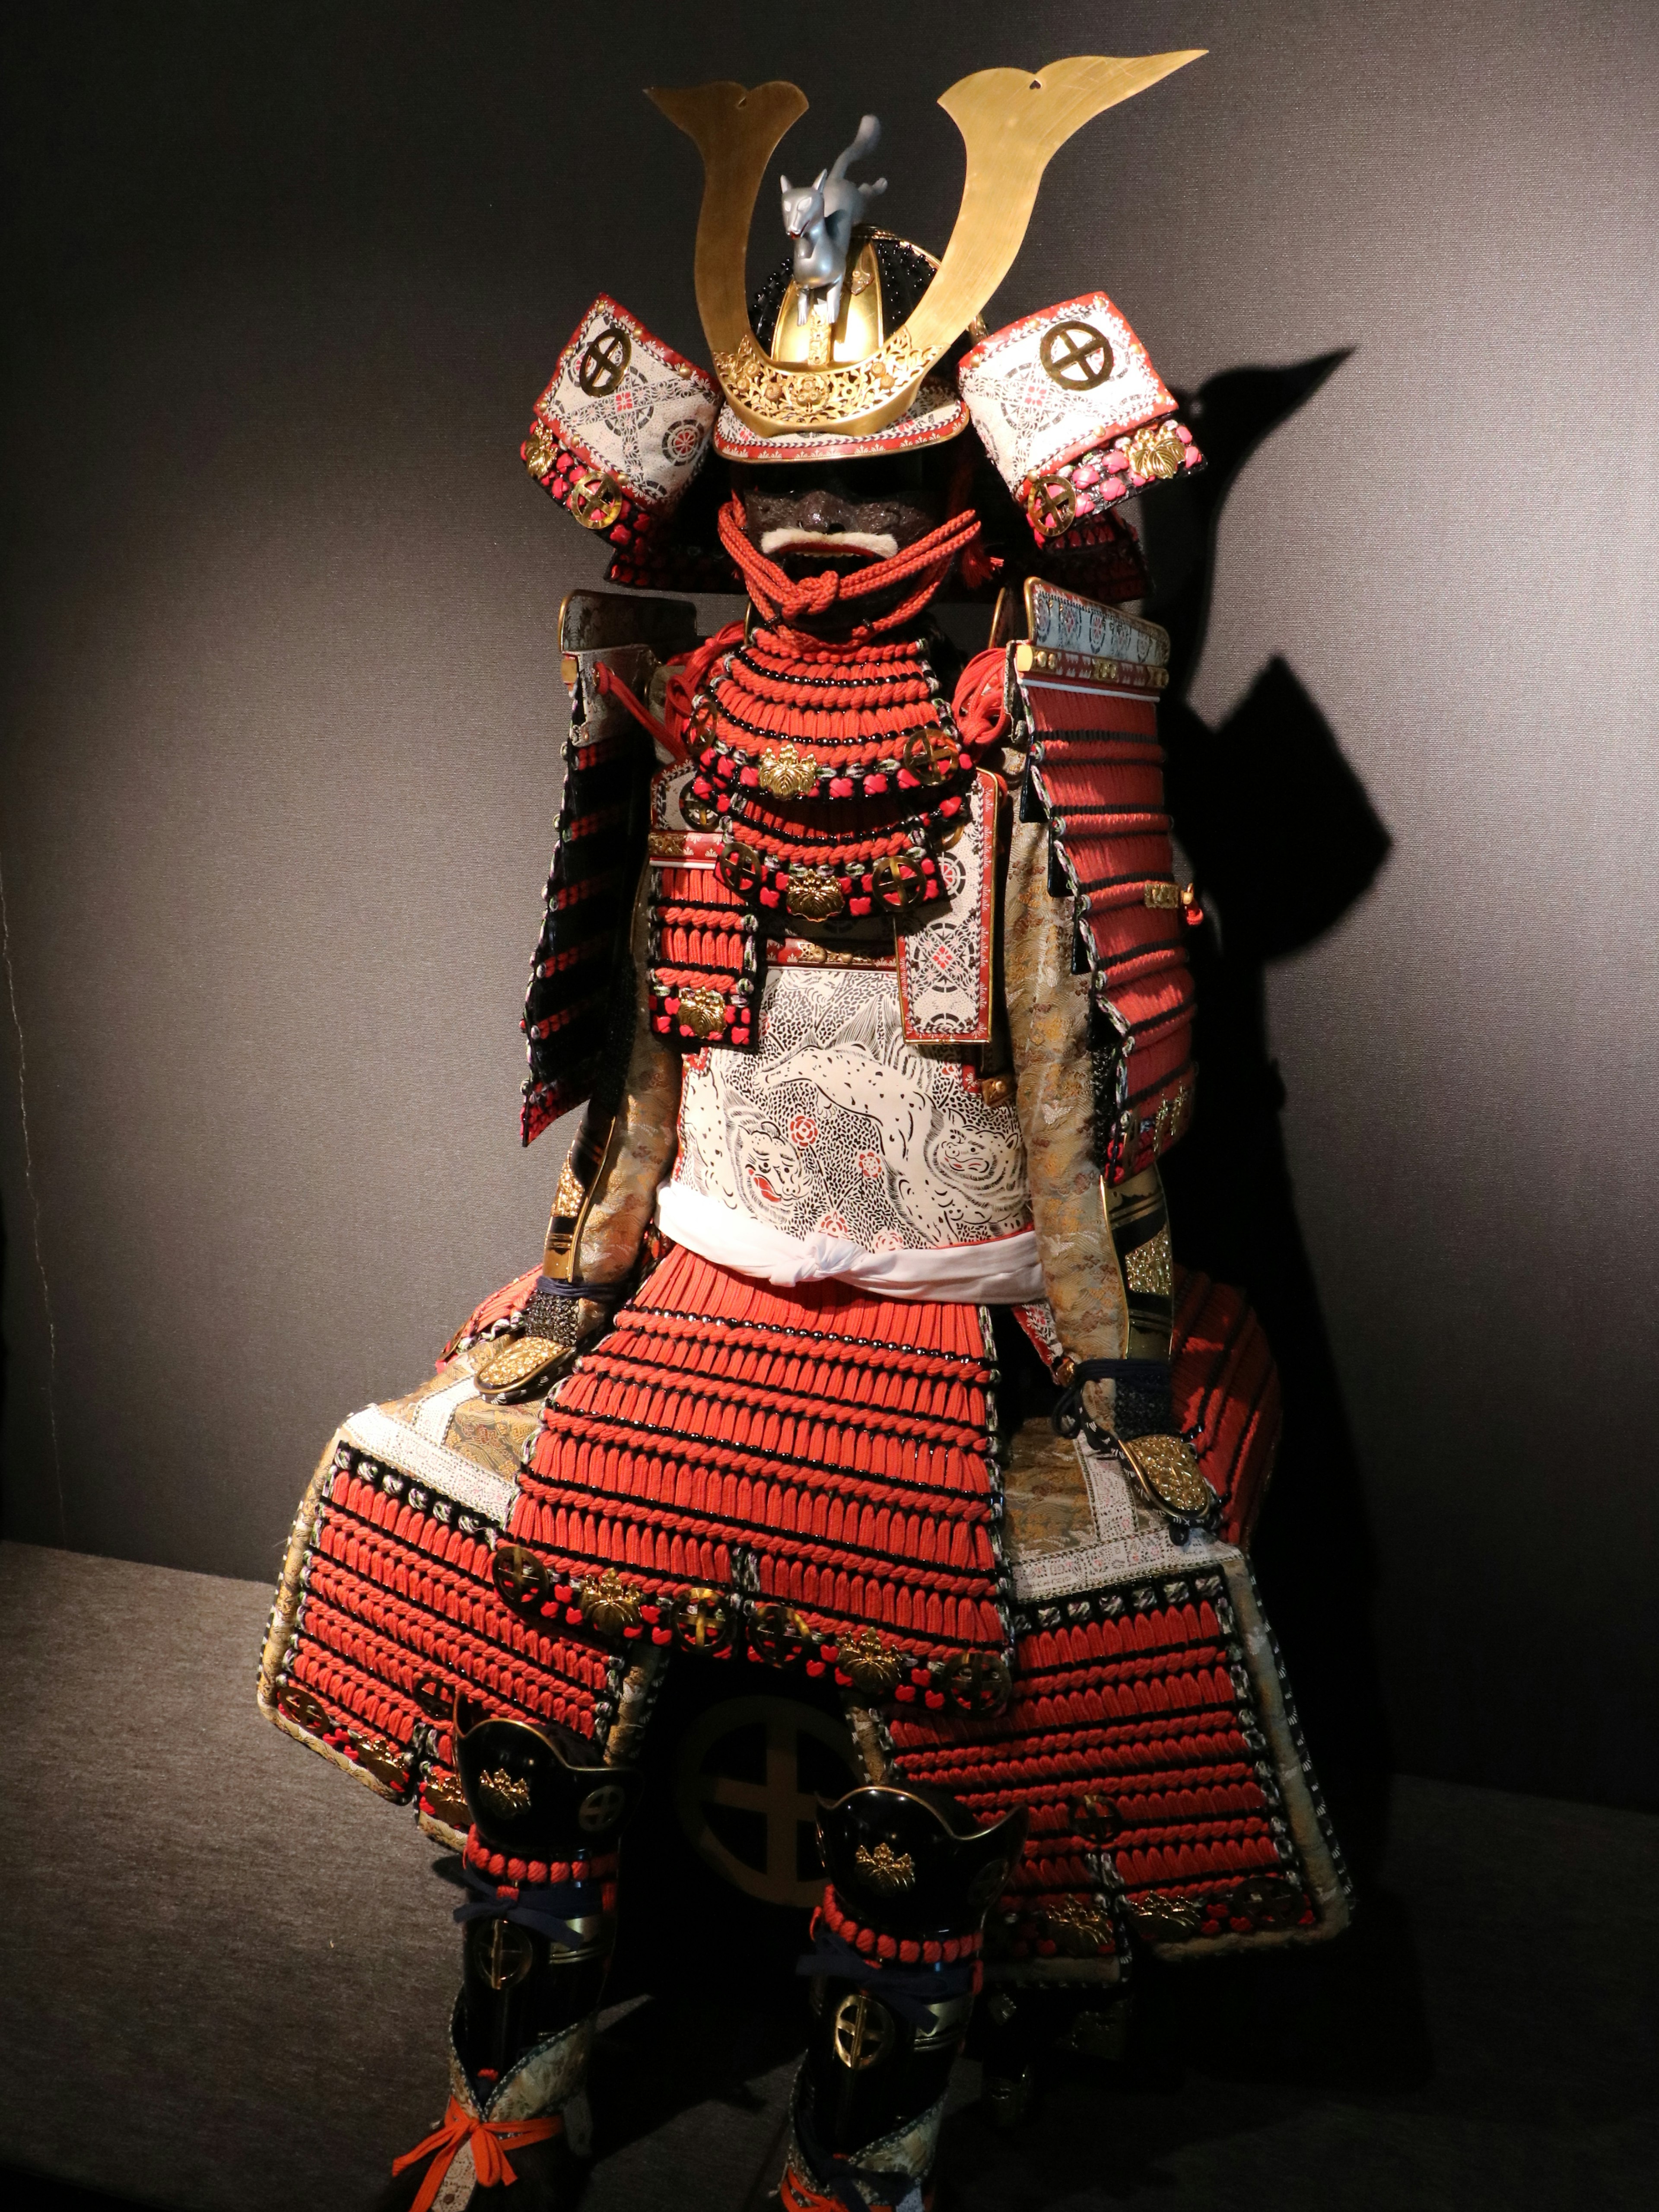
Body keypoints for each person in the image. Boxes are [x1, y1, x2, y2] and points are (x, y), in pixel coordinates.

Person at [260, 55, 1350, 2212]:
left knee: (955, 1720)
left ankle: (865, 2148)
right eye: (796, 490)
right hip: (708, 1283)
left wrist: (1110, 1356)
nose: (836, 533)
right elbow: (655, 1066)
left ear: (963, 480)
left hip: (953, 1317)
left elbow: (1073, 1076)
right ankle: (523, 2078)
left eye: (882, 491)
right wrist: (576, 1283)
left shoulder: (1023, 742)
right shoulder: (685, 739)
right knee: (519, 1624)